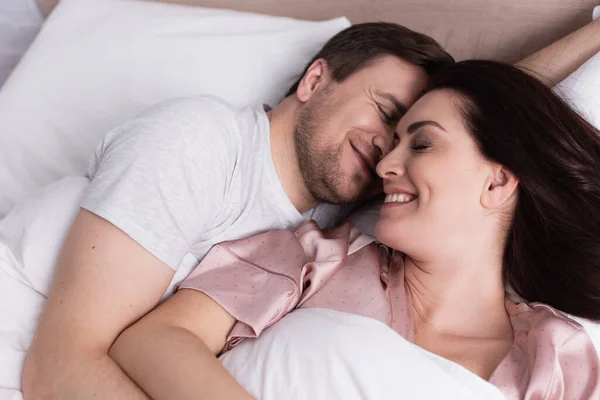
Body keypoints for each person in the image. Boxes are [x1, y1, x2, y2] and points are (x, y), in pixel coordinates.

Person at [23, 17, 600, 399]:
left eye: (410, 139)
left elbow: (498, 121)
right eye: (386, 119)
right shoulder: (296, 234)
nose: (386, 158)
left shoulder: (553, 351)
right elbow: (89, 354)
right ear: (315, 78)